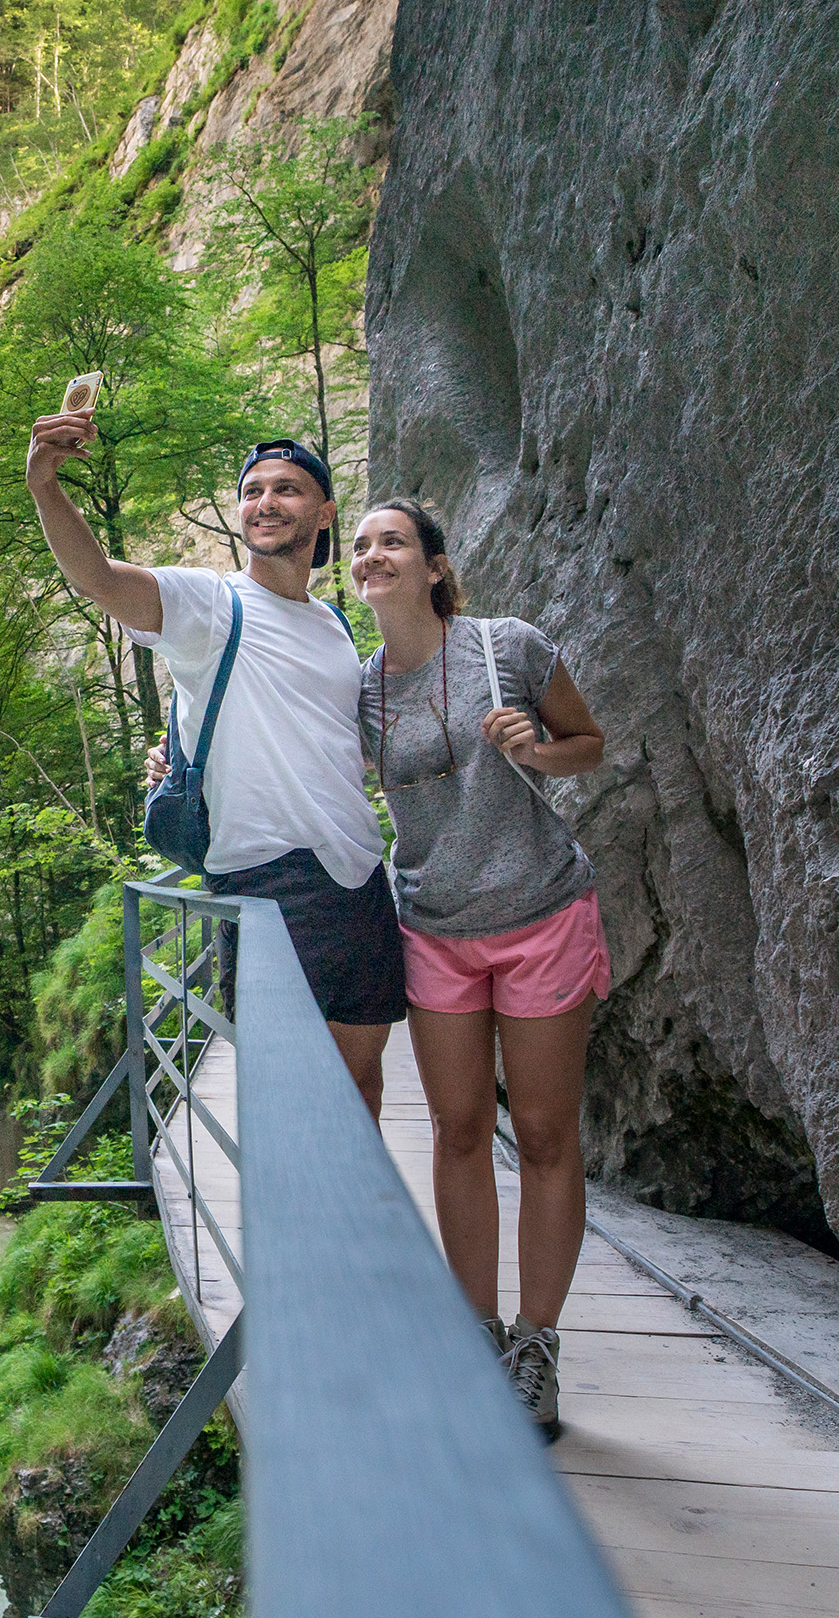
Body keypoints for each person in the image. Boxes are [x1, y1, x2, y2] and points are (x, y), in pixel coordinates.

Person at [28, 411, 405, 1116]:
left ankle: (350, 1230)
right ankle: (292, 1228)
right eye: (253, 490)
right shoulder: (213, 602)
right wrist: (45, 486)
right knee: (290, 1105)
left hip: (358, 878)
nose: (265, 502)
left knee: (363, 1092)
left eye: (287, 489)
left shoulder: (333, 624)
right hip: (270, 882)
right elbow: (99, 579)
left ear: (323, 512)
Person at [347, 496, 610, 1440]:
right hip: (434, 928)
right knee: (459, 1135)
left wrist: (536, 748)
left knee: (542, 1136)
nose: (372, 555)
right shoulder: (361, 687)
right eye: (363, 545)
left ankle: (536, 1348)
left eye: (392, 542)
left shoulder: (510, 646)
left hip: (540, 913)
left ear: (433, 566)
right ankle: (477, 1334)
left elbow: (591, 744)